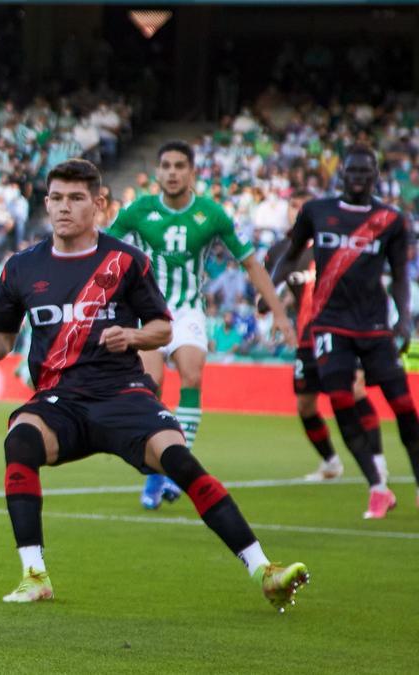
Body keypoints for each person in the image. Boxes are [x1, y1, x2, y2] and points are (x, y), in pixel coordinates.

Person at [0, 158, 308, 610]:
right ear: (46, 203)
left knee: (179, 460)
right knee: (19, 440)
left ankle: (265, 569)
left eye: (76, 198)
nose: (64, 208)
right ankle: (33, 574)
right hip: (59, 401)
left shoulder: (125, 262)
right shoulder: (22, 267)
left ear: (99, 204)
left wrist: (134, 336)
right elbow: (1, 340)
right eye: (57, 198)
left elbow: (163, 328)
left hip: (124, 394)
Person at [108, 140, 297, 510]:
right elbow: (101, 252)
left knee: (192, 376)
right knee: (151, 386)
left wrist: (277, 311)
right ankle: (155, 473)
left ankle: (179, 465)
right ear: (158, 172)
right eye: (166, 165)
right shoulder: (137, 211)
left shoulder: (212, 214)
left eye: (181, 165)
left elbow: (251, 264)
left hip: (189, 310)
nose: (173, 172)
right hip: (147, 312)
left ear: (192, 172)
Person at [275, 146, 419, 519]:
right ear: (341, 174)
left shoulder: (390, 220)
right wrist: (271, 294)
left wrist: (404, 318)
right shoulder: (317, 211)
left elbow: (401, 277)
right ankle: (377, 486)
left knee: (403, 405)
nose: (357, 177)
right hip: (329, 323)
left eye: (364, 172)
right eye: (351, 171)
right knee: (340, 401)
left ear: (374, 175)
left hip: (373, 325)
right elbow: (289, 253)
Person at [263, 208, 382, 483]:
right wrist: (276, 309)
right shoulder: (286, 252)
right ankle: (330, 462)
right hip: (306, 338)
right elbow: (289, 289)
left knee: (355, 390)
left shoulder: (340, 245)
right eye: (293, 206)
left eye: (304, 206)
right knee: (305, 405)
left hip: (340, 332)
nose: (298, 212)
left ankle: (378, 462)